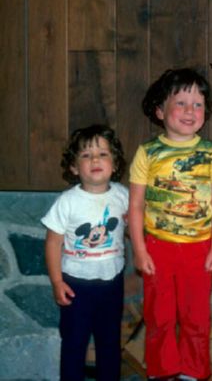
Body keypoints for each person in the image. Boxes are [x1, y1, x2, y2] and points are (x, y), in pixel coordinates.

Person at [128, 68, 212, 381]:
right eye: (181, 103)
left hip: (199, 248)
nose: (190, 111)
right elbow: (135, 205)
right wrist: (140, 250)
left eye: (197, 104)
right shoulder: (148, 152)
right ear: (160, 110)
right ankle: (162, 371)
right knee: (159, 316)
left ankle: (194, 371)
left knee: (195, 317)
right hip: (157, 247)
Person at [42, 124, 129, 381]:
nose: (94, 160)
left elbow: (135, 231)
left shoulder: (123, 196)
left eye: (103, 154)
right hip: (75, 286)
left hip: (112, 284)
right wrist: (57, 281)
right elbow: (52, 243)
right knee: (74, 344)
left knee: (110, 343)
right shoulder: (67, 202)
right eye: (86, 155)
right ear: (74, 167)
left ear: (114, 164)